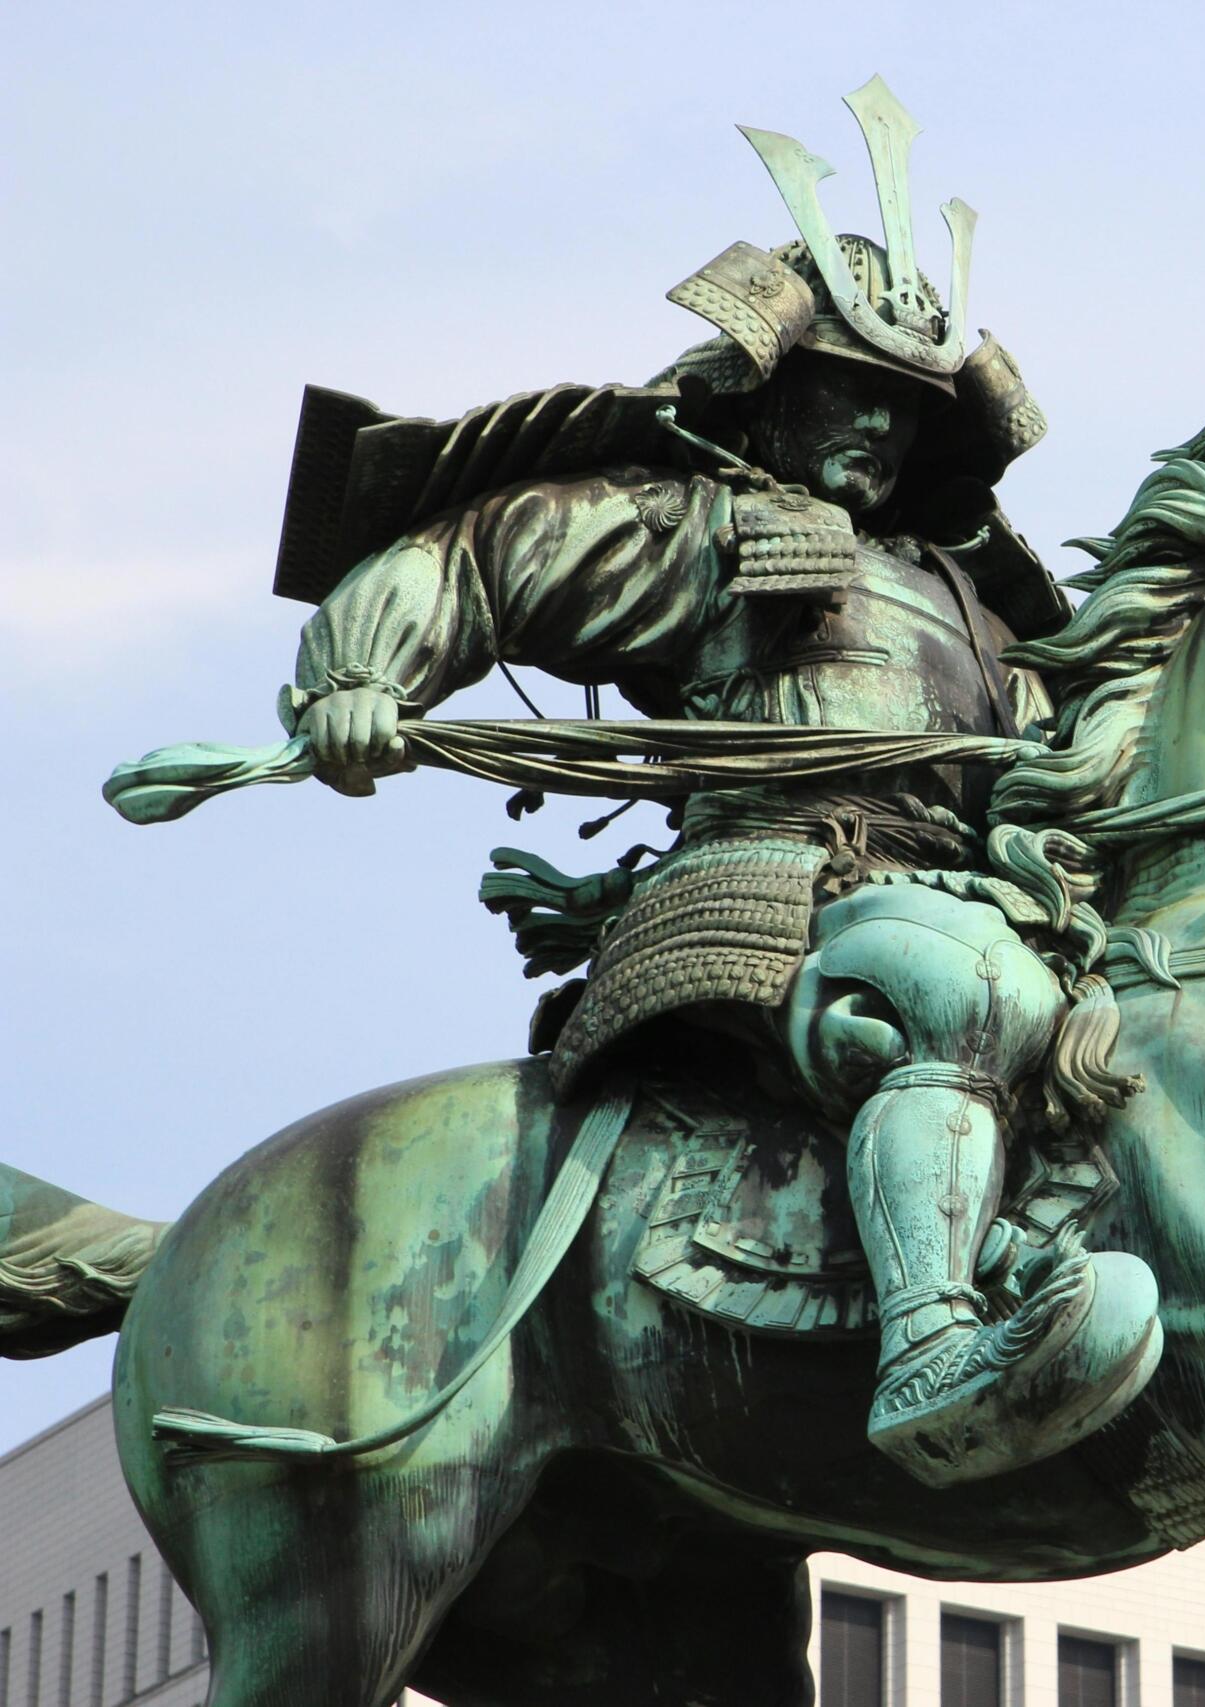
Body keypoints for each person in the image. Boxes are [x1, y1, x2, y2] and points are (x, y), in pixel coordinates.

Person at [278, 83, 1156, 1487]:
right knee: (953, 988)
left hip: (993, 896)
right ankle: (931, 1342)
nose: (873, 429)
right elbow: (486, 558)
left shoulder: (982, 605)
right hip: (784, 887)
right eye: (847, 396)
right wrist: (364, 674)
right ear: (774, 394)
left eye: (903, 409)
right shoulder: (727, 532)